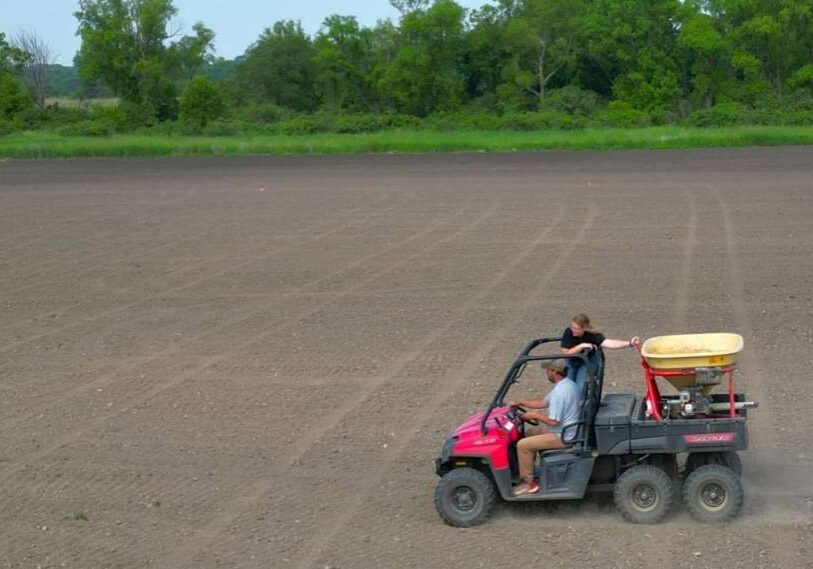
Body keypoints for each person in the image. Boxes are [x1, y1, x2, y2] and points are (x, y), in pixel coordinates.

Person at [507, 358, 580, 496]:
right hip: (564, 430)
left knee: (523, 445)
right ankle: (525, 469)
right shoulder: (567, 384)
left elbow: (554, 422)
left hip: (562, 436)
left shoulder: (560, 392)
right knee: (529, 433)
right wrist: (521, 402)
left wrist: (534, 415)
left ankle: (529, 484)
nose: (546, 373)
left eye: (548, 370)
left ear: (555, 371)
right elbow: (544, 402)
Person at [561, 313, 641, 393]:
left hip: (587, 361)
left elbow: (610, 343)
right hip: (572, 361)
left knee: (580, 387)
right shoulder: (568, 332)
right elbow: (567, 352)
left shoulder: (592, 335)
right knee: (568, 387)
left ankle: (582, 399)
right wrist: (581, 346)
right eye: (572, 327)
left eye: (577, 329)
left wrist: (629, 343)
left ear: (585, 328)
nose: (574, 330)